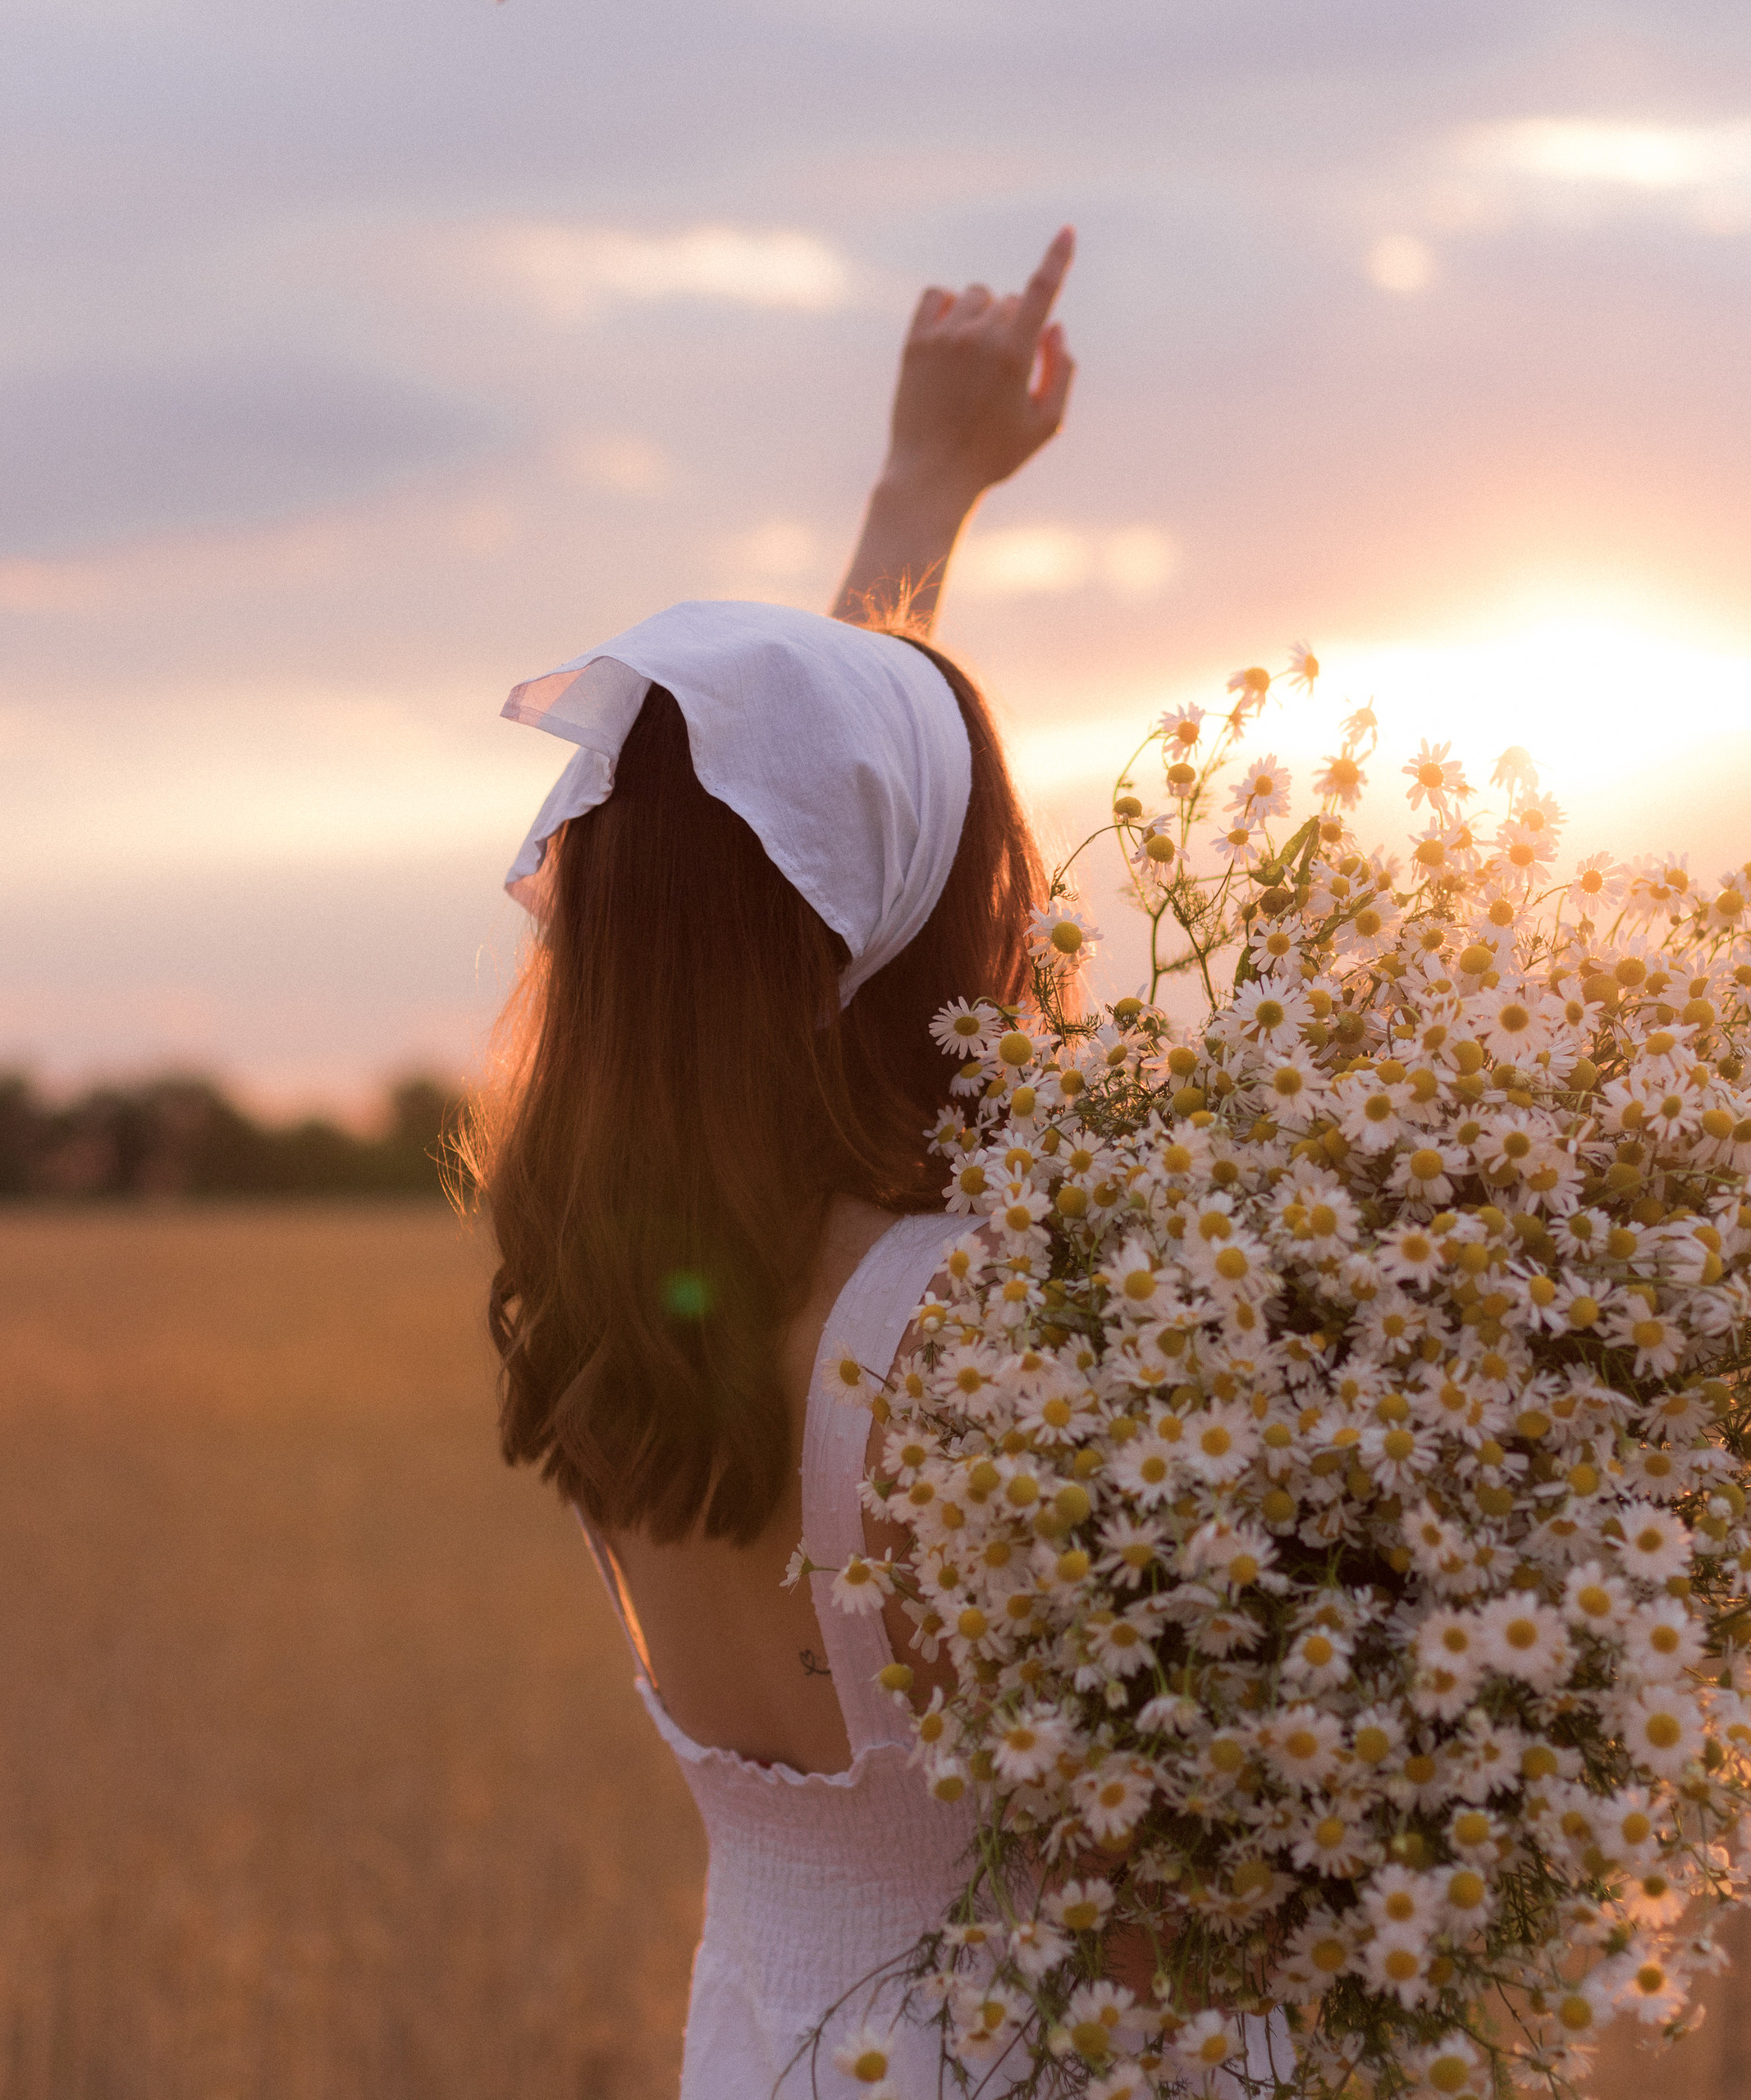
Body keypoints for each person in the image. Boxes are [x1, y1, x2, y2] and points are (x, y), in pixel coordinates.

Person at [472, 232, 1077, 2098]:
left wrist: (921, 486)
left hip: (777, 2045)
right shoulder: (973, 1317)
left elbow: (770, 809)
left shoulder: (600, 1273)